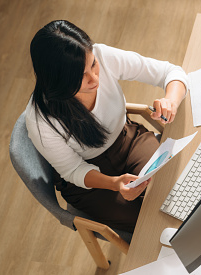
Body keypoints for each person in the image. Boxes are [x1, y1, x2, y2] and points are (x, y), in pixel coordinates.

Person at [25, 20, 189, 233]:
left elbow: (170, 72)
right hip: (89, 181)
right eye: (80, 76)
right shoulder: (40, 120)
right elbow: (73, 170)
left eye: (93, 64)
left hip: (127, 140)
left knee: (175, 191)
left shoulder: (101, 55)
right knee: (149, 224)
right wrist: (115, 183)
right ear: (57, 80)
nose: (94, 78)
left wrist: (171, 101)